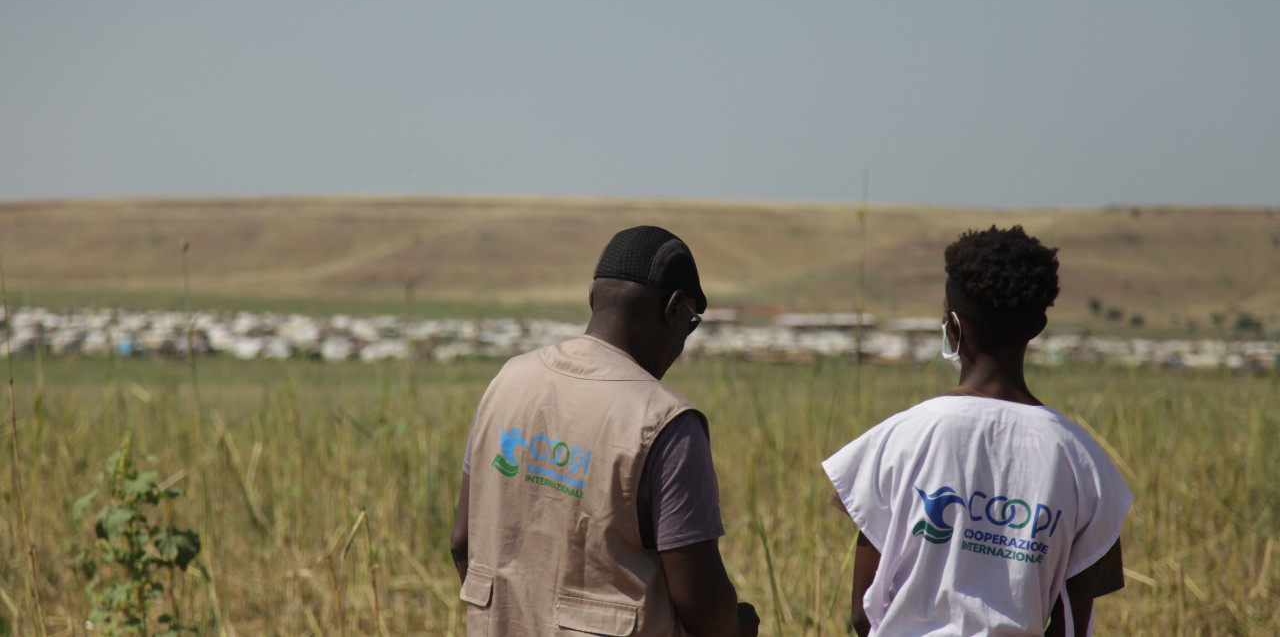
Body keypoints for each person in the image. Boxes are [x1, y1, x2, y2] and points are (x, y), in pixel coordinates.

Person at [822, 225, 1131, 637]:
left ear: (951, 324)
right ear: (1038, 326)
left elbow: (864, 614)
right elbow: (1073, 624)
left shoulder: (896, 441)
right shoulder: (1086, 464)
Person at [450, 225, 759, 637]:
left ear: (593, 297)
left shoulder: (507, 382)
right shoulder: (667, 422)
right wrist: (738, 625)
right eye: (691, 323)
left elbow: (462, 542)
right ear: (673, 309)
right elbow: (701, 604)